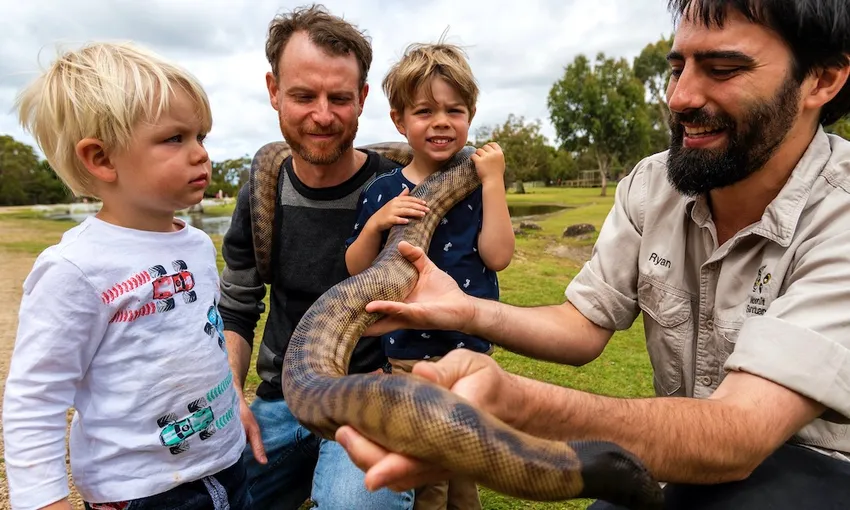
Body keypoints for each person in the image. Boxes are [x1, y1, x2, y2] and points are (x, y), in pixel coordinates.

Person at [335, 0, 850, 508]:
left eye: (722, 69)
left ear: (821, 80)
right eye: (677, 69)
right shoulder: (654, 186)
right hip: (683, 466)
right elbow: (582, 326)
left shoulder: (840, 213)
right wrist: (466, 310)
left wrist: (515, 404)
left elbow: (739, 434)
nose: (679, 98)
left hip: (817, 471)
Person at [3, 42, 249, 510]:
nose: (201, 154)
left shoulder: (198, 244)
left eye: (201, 136)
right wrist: (43, 500)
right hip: (143, 493)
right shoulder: (76, 269)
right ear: (101, 159)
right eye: (175, 138)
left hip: (227, 463)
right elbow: (36, 399)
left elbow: (204, 340)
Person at [217, 4, 413, 509]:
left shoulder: (398, 189)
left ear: (362, 98)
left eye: (340, 98)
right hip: (280, 400)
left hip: (369, 398)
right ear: (274, 90)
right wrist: (231, 393)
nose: (322, 116)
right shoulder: (261, 193)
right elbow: (237, 305)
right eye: (304, 96)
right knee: (201, 491)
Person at [343, 42, 514, 510]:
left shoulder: (479, 183)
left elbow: (498, 256)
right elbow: (356, 271)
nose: (441, 122)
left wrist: (493, 182)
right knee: (429, 473)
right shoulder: (383, 191)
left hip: (469, 354)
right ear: (400, 121)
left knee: (464, 464)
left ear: (470, 115)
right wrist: (376, 225)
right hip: (408, 358)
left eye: (454, 110)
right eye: (424, 111)